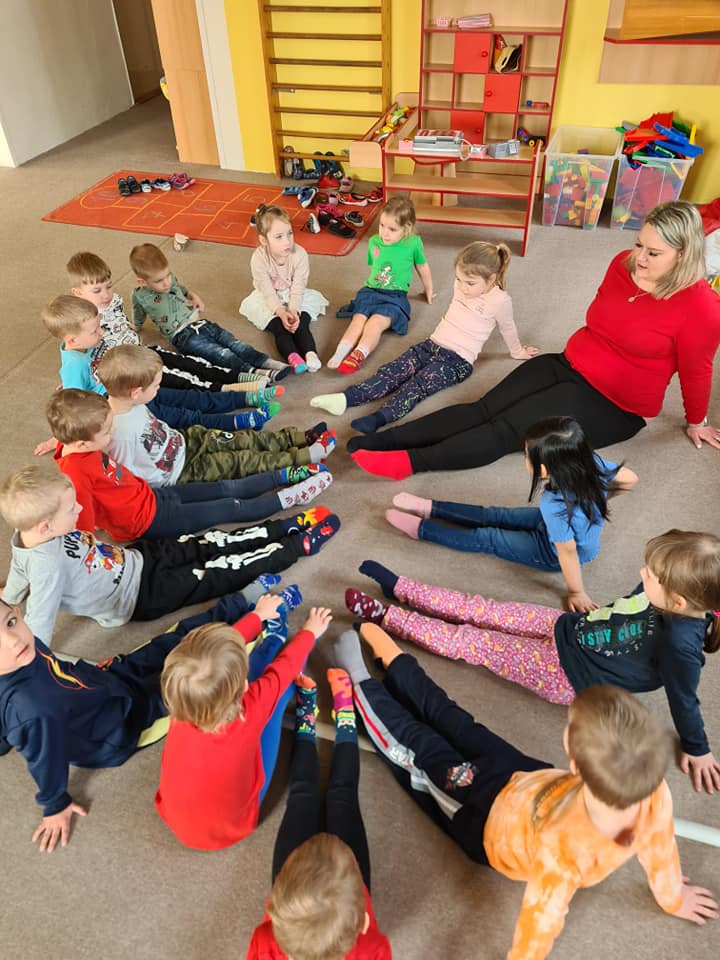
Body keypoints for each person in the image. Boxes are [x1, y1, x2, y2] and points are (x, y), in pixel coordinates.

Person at [334, 628, 718, 960]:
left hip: (484, 819)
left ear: (576, 765)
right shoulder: (654, 792)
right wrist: (672, 896)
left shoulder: (563, 853)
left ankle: (360, 683)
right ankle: (395, 661)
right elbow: (661, 847)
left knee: (419, 749)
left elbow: (540, 922)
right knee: (453, 718)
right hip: (524, 776)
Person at [347, 201, 720, 480]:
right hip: (567, 363)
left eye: (653, 253)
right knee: (482, 409)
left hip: (614, 403)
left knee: (506, 430)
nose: (639, 258)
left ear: (683, 254)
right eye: (639, 244)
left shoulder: (701, 306)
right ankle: (385, 440)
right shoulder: (622, 264)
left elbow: (697, 369)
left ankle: (410, 463)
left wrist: (696, 420)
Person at [348, 528, 720, 795]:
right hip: (564, 626)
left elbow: (684, 699)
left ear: (678, 602)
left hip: (565, 673)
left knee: (473, 642)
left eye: (651, 575)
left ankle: (389, 617)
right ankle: (402, 589)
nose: (642, 574)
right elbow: (625, 608)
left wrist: (697, 747)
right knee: (482, 609)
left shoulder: (681, 647)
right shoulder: (669, 592)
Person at [0, 586, 273, 852]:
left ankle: (236, 605)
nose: (13, 640)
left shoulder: (23, 649)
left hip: (106, 681)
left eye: (10, 623)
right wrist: (55, 804)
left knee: (169, 642)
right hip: (117, 726)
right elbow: (44, 758)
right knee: (199, 677)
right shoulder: (32, 710)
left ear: (16, 612)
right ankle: (258, 624)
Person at [0, 463, 337, 646]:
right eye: (70, 508)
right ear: (44, 526)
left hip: (138, 558)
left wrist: (8, 599)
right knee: (219, 572)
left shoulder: (25, 541)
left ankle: (282, 528)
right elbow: (38, 625)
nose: (78, 509)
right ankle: (296, 547)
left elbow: (16, 579)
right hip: (139, 596)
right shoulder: (46, 568)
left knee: (210, 542)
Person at [388, 417, 636, 611]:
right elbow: (630, 478)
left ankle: (422, 529)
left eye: (527, 456)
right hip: (551, 527)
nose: (524, 459)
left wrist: (576, 592)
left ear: (545, 469)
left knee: (488, 537)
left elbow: (567, 552)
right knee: (498, 514)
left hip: (551, 552)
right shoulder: (592, 462)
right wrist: (597, 498)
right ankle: (432, 507)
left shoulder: (554, 504)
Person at [154, 601, 332, 849]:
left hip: (176, 819)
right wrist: (309, 632)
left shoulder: (182, 697)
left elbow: (209, 655)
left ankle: (273, 639)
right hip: (232, 827)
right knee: (279, 695)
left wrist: (257, 617)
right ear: (245, 688)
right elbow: (284, 669)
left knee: (227, 671)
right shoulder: (251, 707)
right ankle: (274, 640)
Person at [46, 389, 337, 541]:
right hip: (149, 520)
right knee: (230, 507)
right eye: (107, 433)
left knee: (226, 487)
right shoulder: (74, 473)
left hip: (154, 496)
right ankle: (292, 496)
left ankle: (287, 474)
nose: (112, 435)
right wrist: (94, 538)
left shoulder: (77, 445)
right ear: (81, 444)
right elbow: (80, 525)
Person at [312, 241, 537, 434]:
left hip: (457, 361)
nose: (462, 287)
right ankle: (346, 398)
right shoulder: (460, 285)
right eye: (459, 279)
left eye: (470, 283)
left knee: (418, 386)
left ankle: (379, 418)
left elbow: (508, 328)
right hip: (431, 345)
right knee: (393, 370)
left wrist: (517, 351)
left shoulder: (500, 301)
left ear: (492, 279)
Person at [246, 668, 391, 959]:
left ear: (273, 911)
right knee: (342, 795)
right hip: (327, 903)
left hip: (302, 899)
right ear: (364, 923)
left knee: (303, 794)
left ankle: (306, 719)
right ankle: (345, 718)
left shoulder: (266, 938)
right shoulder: (373, 947)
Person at [96, 347, 336, 484]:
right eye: (156, 386)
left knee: (242, 439)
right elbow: (131, 476)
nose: (159, 389)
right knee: (241, 461)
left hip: (185, 441)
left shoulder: (134, 403)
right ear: (136, 392)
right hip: (182, 471)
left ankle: (295, 438)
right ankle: (304, 456)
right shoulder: (120, 434)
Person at [67, 250, 272, 393]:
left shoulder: (115, 300)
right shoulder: (82, 321)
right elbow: (78, 355)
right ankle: (236, 389)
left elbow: (120, 319)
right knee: (183, 379)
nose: (106, 294)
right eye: (97, 290)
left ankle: (245, 376)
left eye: (109, 286)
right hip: (132, 365)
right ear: (78, 292)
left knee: (192, 364)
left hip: (143, 349)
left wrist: (130, 327)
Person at [130, 242, 290, 379]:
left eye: (167, 276)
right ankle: (256, 372)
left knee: (236, 344)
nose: (166, 283)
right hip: (183, 336)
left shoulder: (169, 279)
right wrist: (136, 326)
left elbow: (181, 289)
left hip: (202, 323)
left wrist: (193, 296)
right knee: (221, 354)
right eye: (159, 281)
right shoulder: (140, 296)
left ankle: (267, 362)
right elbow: (138, 313)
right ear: (142, 282)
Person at [327, 196, 435, 375]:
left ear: (406, 228)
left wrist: (428, 289)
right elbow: (375, 267)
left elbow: (422, 266)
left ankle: (358, 354)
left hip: (394, 297)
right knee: (358, 320)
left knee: (375, 323)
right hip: (371, 291)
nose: (385, 233)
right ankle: (340, 352)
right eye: (382, 225)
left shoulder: (413, 243)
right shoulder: (374, 242)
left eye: (392, 229)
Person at [240, 204, 328, 374]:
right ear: (264, 240)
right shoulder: (258, 259)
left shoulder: (300, 254)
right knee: (279, 327)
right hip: (269, 298)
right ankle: (293, 357)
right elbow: (267, 291)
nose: (287, 241)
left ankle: (310, 354)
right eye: (279, 237)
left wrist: (294, 310)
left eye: (289, 233)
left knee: (301, 323)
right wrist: (280, 312)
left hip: (294, 294)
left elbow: (298, 285)